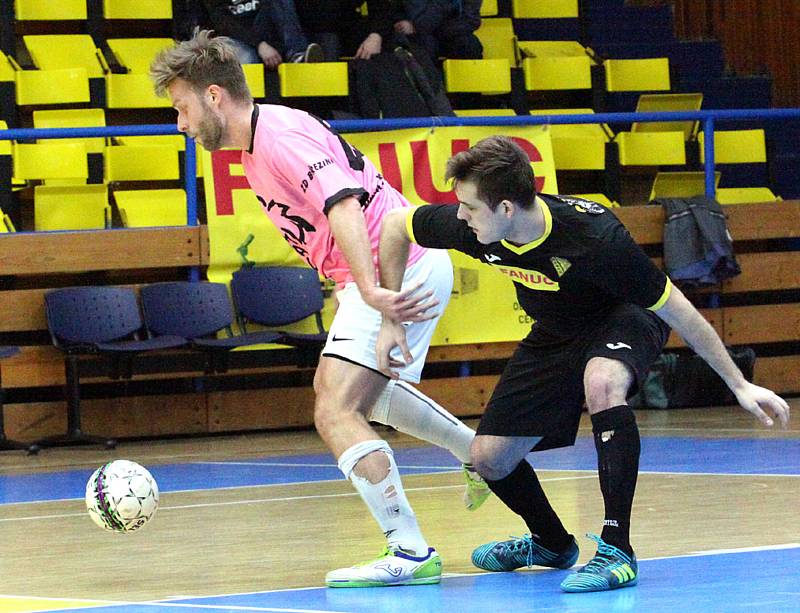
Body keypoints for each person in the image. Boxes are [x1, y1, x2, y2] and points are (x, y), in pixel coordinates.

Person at [150, 30, 491, 588]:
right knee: (366, 396)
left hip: (396, 262)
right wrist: (346, 282)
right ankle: (477, 454)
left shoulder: (278, 138)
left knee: (334, 407)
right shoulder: (258, 144)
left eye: (181, 108)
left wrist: (375, 293)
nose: (180, 124)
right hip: (387, 264)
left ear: (214, 97)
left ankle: (408, 549)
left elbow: (345, 204)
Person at [376, 135, 791, 593]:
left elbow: (676, 308)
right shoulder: (471, 227)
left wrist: (738, 384)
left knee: (603, 382)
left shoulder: (595, 239)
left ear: (507, 209)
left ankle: (617, 549)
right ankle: (551, 544)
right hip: (555, 333)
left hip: (626, 317)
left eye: (470, 208)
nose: (460, 216)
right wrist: (390, 312)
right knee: (489, 459)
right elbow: (396, 227)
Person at [174, 0, 324, 69]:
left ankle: (297, 54)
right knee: (247, 59)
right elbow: (223, 23)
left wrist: (267, 43)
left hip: (266, 35)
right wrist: (260, 44)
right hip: (233, 37)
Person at [294, 0, 396, 61]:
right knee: (330, 41)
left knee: (390, 37)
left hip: (347, 29)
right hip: (307, 32)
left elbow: (382, 7)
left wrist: (375, 36)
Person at [393, 0, 483, 62]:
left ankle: (468, 88)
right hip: (419, 35)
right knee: (422, 46)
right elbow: (398, 10)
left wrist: (420, 27)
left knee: (469, 45)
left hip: (449, 33)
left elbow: (471, 20)